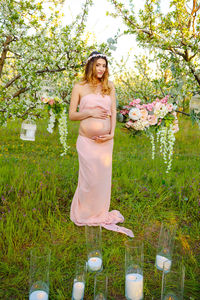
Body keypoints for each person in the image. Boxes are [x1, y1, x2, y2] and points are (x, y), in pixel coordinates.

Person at [69, 51, 134, 237]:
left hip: (105, 142)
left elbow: (113, 112)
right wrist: (90, 114)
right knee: (89, 178)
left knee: (102, 180)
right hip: (86, 141)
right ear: (91, 66)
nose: (101, 69)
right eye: (98, 65)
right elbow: (72, 115)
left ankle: (99, 213)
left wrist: (112, 134)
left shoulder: (109, 86)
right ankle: (85, 213)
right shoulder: (79, 87)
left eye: (104, 66)